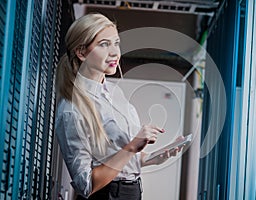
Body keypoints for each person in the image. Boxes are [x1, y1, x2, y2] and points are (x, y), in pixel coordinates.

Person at [55, 13, 182, 200]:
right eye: (104, 44)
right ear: (81, 53)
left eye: (116, 43)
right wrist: (131, 147)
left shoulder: (113, 92)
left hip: (132, 191)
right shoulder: (72, 109)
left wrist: (155, 157)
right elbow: (86, 185)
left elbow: (117, 157)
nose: (115, 52)